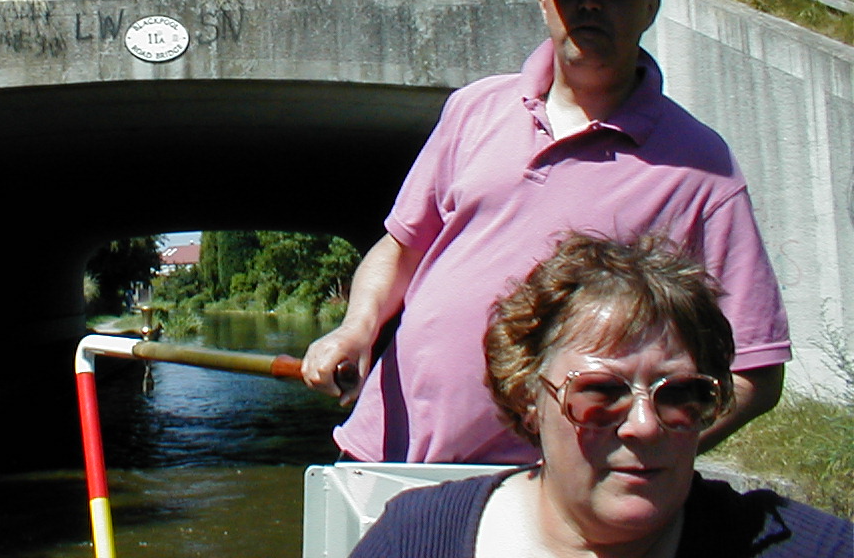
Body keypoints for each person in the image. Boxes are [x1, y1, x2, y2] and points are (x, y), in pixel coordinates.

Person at [302, 0, 789, 463]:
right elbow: (402, 249)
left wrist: (633, 461)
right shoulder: (474, 108)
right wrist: (356, 329)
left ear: (651, 5)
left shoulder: (701, 165)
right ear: (543, 1)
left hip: (538, 499)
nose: (588, 2)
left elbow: (757, 371)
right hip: (381, 449)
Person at [348, 233, 853, 558]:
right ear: (528, 395)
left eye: (680, 395)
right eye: (601, 393)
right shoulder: (414, 540)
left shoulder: (805, 548)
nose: (644, 425)